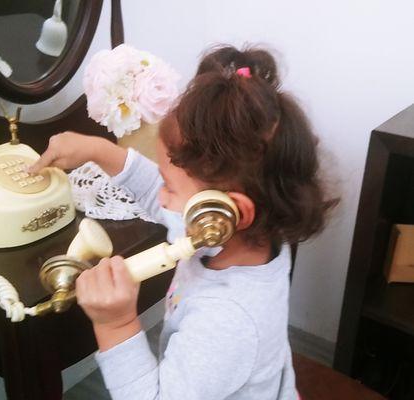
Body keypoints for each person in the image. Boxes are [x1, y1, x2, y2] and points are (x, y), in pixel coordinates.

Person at [28, 45, 337, 400]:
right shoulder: (236, 233)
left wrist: (116, 325)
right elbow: (163, 201)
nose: (161, 198)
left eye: (170, 187)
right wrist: (100, 152)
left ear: (228, 210)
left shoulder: (227, 322)